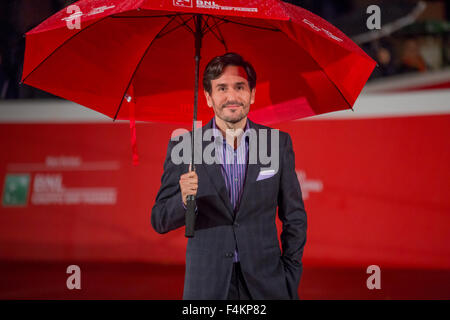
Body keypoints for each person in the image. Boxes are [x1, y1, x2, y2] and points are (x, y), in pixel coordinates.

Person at [151, 52, 307, 300]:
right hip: (206, 287)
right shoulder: (185, 146)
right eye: (221, 88)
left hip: (267, 285)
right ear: (208, 97)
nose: (232, 97)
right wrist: (183, 199)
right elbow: (159, 219)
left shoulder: (277, 144)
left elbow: (295, 217)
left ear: (252, 94)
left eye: (240, 87)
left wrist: (290, 274)